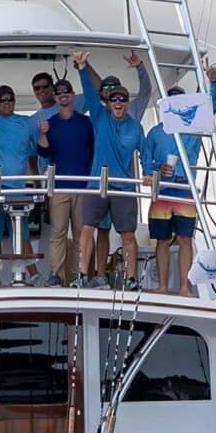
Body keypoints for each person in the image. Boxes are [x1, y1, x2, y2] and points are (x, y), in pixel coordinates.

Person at [140, 68, 216, 296]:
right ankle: (163, 286)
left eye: (179, 100)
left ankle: (185, 287)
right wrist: (155, 169)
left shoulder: (193, 128)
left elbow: (210, 105)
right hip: (163, 190)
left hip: (185, 190)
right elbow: (146, 161)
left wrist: (212, 81)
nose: (175, 104)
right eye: (172, 100)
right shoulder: (155, 132)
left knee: (186, 239)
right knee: (162, 240)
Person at [69, 50, 145, 291]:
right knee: (87, 229)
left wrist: (150, 171)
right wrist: (82, 67)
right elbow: (90, 92)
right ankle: (82, 274)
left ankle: (131, 278)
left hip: (124, 187)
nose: (118, 103)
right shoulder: (99, 116)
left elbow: (146, 154)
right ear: (108, 102)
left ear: (127, 102)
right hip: (97, 184)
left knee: (128, 235)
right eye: (114, 99)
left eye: (122, 99)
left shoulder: (136, 126)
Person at [0, 85, 42, 287]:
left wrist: (37, 181)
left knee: (22, 234)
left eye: (10, 99)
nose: (7, 103)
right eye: (2, 99)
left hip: (19, 187)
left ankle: (33, 274)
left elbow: (35, 154)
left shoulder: (27, 123)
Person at [35, 78, 93, 286]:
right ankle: (56, 275)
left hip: (83, 187)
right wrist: (42, 133)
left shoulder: (86, 122)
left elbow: (94, 152)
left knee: (81, 233)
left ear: (73, 93)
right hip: (59, 186)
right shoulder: (51, 123)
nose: (63, 95)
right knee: (58, 233)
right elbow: (44, 152)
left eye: (66, 91)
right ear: (56, 97)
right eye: (59, 93)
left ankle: (79, 275)